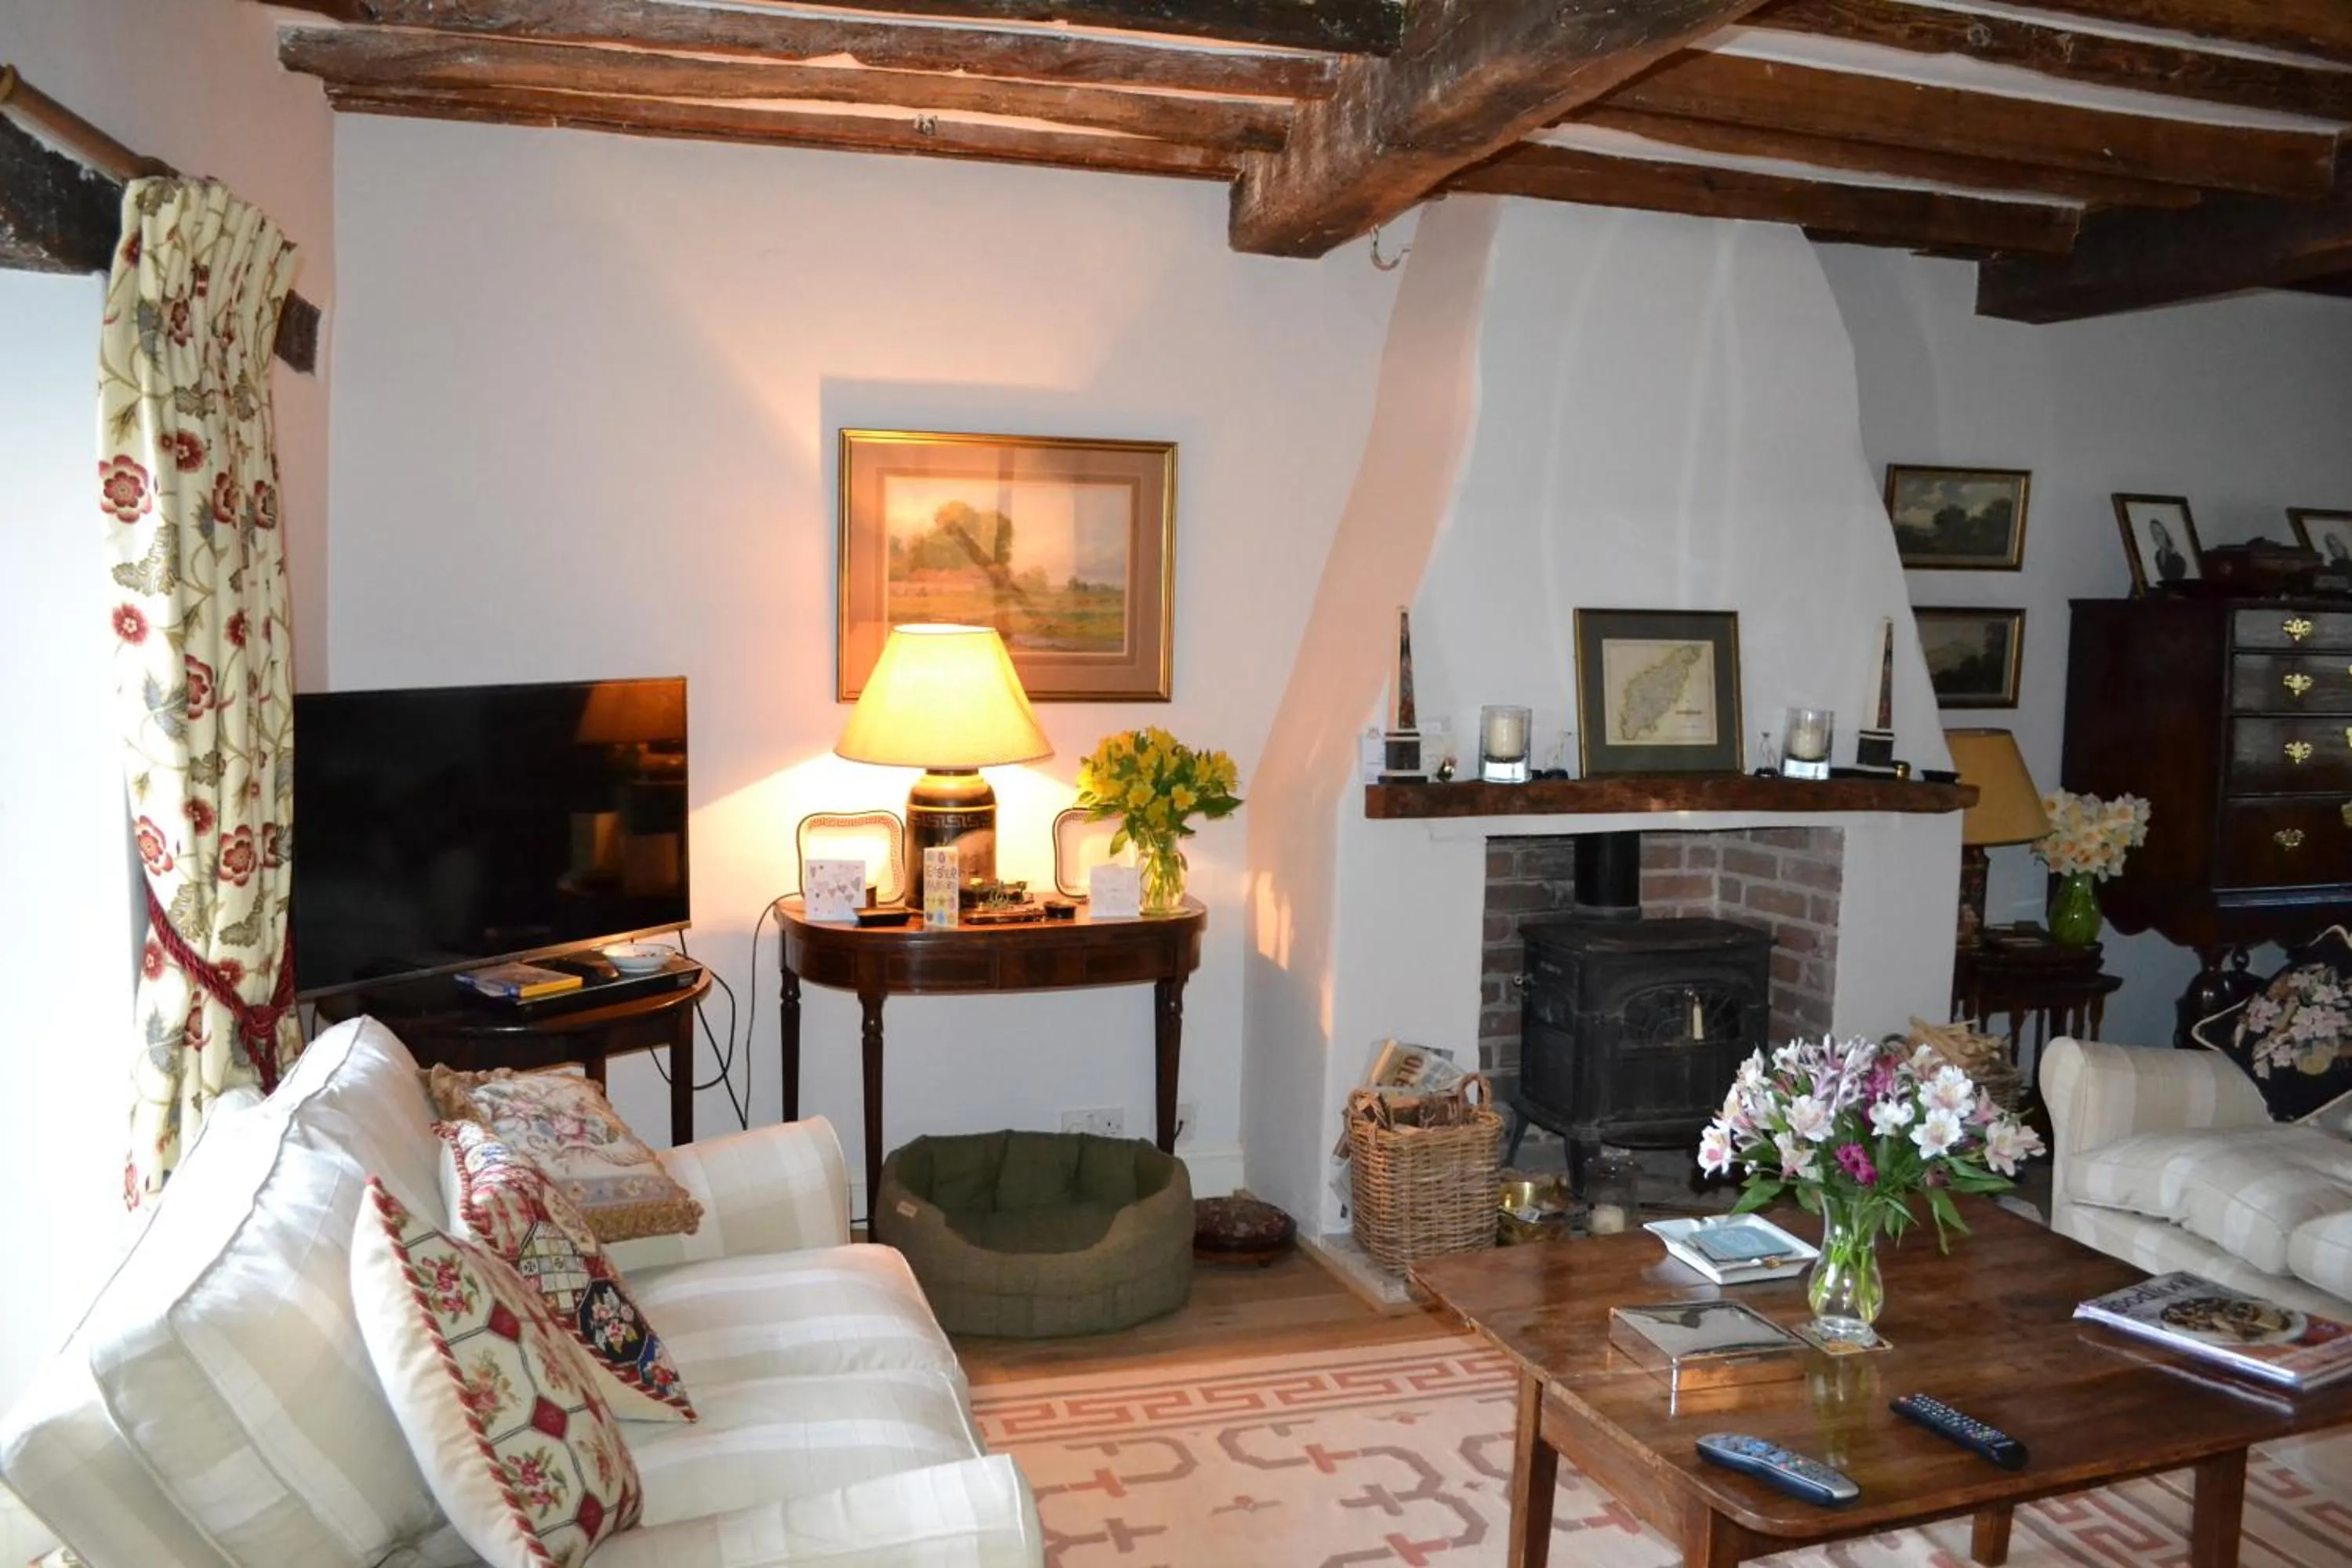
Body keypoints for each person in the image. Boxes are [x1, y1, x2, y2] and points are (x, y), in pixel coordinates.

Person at [2149, 517, 2188, 583]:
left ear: (2165, 534)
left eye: (2159, 533)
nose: (2156, 537)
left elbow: (2180, 571)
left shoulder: (2175, 554)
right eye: (2154, 534)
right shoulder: (2157, 555)